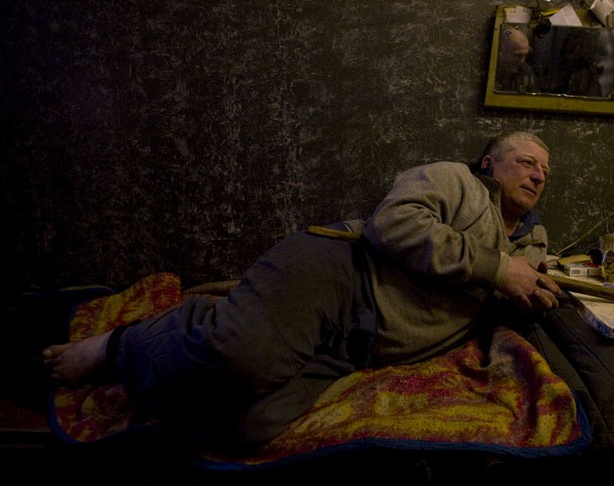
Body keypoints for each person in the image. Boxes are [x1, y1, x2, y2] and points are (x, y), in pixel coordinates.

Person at [42, 131, 562, 448]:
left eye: (544, 169)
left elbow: (504, 301)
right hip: (337, 275)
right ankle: (121, 344)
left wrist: (528, 289)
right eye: (525, 161)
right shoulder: (456, 180)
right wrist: (499, 270)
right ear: (489, 163)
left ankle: (201, 323)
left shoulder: (533, 246)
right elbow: (394, 224)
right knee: (242, 356)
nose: (538, 175)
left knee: (243, 427)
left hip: (358, 346)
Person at [494, 26, 540, 93]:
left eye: (525, 55)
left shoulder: (526, 71)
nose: (522, 61)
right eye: (518, 55)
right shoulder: (493, 72)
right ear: (502, 51)